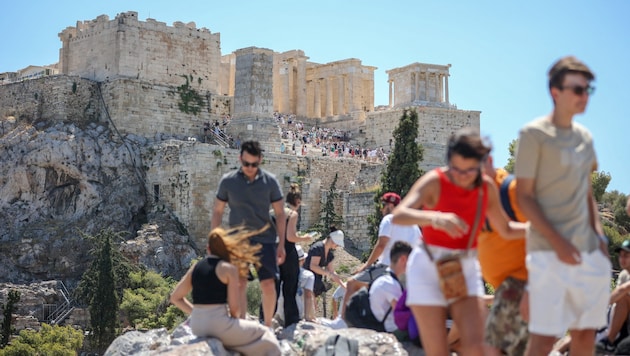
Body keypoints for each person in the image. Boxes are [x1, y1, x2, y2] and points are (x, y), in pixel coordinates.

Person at [392, 127, 526, 356]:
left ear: (482, 164)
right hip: (427, 265)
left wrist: (540, 230)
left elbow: (505, 228)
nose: (462, 176)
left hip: (463, 266)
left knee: (475, 347)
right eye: (456, 169)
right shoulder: (434, 180)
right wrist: (435, 218)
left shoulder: (487, 189)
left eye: (470, 170)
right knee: (437, 351)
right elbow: (399, 214)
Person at [514, 56, 611, 356]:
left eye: (587, 90)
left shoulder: (585, 138)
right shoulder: (533, 135)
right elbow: (524, 197)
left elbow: (586, 192)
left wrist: (601, 241)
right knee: (544, 339)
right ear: (556, 92)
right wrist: (557, 242)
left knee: (585, 336)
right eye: (577, 89)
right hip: (548, 252)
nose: (584, 96)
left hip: (587, 251)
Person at [170, 226, 281, 356]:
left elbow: (175, 297)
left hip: (197, 326)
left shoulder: (195, 267)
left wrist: (195, 313)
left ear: (208, 248)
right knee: (266, 335)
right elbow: (234, 309)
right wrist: (236, 323)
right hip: (219, 325)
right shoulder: (228, 269)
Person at [211, 140, 287, 327]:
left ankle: (268, 326)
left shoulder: (270, 182)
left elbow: (280, 213)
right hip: (238, 240)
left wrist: (282, 244)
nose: (250, 168)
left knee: (268, 285)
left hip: (266, 240)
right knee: (239, 284)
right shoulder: (228, 181)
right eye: (246, 164)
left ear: (260, 160)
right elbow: (218, 211)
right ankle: (241, 326)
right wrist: (214, 239)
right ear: (240, 159)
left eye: (254, 164)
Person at [477, 154, 529, 355]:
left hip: (520, 284)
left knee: (493, 349)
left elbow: (544, 236)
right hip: (506, 288)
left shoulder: (513, 190)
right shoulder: (478, 194)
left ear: (489, 161)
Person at [340, 192, 421, 319]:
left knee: (351, 284)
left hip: (387, 267)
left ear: (390, 206)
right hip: (408, 271)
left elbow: (381, 245)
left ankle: (342, 320)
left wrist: (366, 265)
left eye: (383, 205)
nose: (381, 208)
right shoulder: (414, 225)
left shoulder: (389, 219)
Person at [273, 184, 313, 327]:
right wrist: (304, 238)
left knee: (273, 289)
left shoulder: (274, 212)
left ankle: (264, 317)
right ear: (297, 201)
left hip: (272, 253)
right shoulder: (292, 214)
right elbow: (290, 237)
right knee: (289, 288)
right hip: (288, 254)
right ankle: (291, 321)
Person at [369, 241, 412, 333]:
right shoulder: (390, 284)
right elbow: (401, 314)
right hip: (391, 330)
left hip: (378, 326)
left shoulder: (382, 279)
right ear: (403, 259)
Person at [595, 240, 630, 352]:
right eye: (620, 256)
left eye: (626, 255)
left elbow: (622, 290)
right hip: (623, 320)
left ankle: (609, 341)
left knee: (623, 298)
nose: (622, 259)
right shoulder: (624, 274)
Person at [275, 244, 316, 324]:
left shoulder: (279, 273)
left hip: (279, 311)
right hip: (297, 313)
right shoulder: (308, 276)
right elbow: (308, 296)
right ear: (303, 260)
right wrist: (308, 317)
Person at [303, 227, 346, 299]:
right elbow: (313, 266)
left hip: (315, 282)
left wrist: (343, 285)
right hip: (306, 280)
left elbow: (332, 271)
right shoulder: (317, 248)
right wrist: (328, 274)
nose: (337, 246)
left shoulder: (329, 254)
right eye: (337, 244)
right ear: (333, 240)